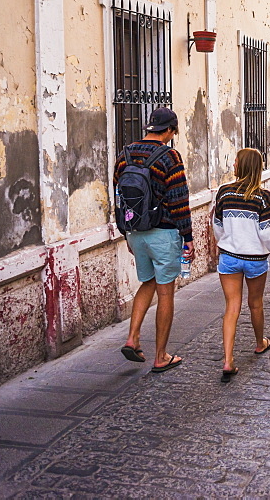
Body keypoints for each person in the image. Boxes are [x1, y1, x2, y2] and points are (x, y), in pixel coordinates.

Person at [115, 107, 193, 373]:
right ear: (170, 130)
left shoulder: (125, 154)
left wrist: (125, 231)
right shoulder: (170, 156)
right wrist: (188, 237)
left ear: (150, 127)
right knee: (165, 290)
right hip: (163, 232)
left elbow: (118, 196)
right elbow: (179, 199)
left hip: (136, 232)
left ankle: (132, 337)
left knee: (146, 282)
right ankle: (161, 356)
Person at [213, 148, 270, 383]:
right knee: (255, 304)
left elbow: (217, 225)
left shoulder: (224, 193)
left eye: (236, 161)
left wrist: (227, 242)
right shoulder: (263, 197)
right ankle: (260, 343)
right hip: (255, 259)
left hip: (229, 256)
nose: (233, 164)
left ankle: (228, 360)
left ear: (241, 166)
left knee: (231, 307)